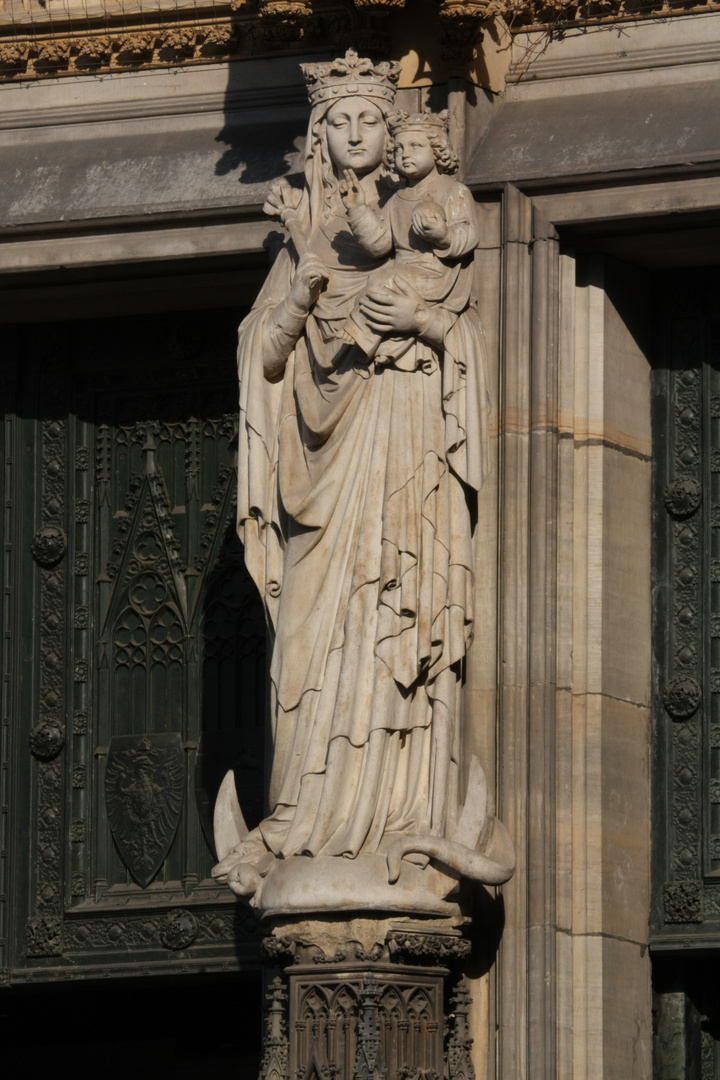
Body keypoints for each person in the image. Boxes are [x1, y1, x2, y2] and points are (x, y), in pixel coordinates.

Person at [212, 51, 504, 913]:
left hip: (403, 462)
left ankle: (400, 823)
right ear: (316, 133)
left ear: (398, 132)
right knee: (305, 643)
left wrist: (421, 321)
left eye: (369, 121)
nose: (352, 137)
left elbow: (468, 348)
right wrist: (302, 288)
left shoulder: (434, 226)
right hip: (320, 479)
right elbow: (264, 358)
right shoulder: (306, 235)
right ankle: (305, 816)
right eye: (336, 122)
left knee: (394, 627)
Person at [342, 109, 479, 364]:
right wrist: (358, 209)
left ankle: (363, 337)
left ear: (437, 150)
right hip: (404, 271)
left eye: (415, 146)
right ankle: (371, 341)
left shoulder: (453, 191)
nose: (405, 154)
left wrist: (444, 235)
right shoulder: (395, 199)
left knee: (385, 279)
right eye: (399, 149)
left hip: (434, 274)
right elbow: (380, 244)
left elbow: (469, 233)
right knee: (378, 283)